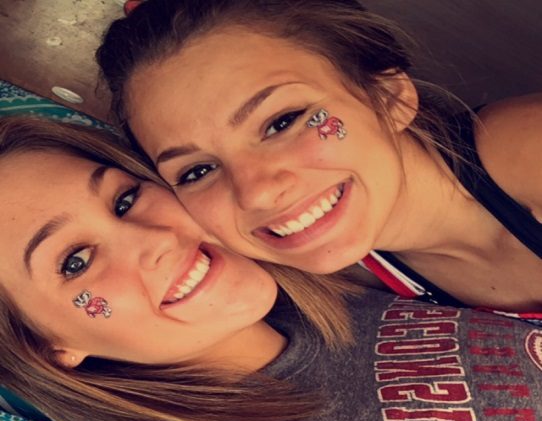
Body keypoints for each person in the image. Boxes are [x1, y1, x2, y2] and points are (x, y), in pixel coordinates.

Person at [1, 115, 541, 421]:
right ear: (50, 348)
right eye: (75, 261)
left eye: (124, 201)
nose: (157, 239)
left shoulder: (331, 276)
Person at [97, 0, 542, 325]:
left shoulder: (526, 150)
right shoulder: (347, 291)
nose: (256, 192)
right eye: (197, 171)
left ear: (390, 97)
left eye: (282, 122)